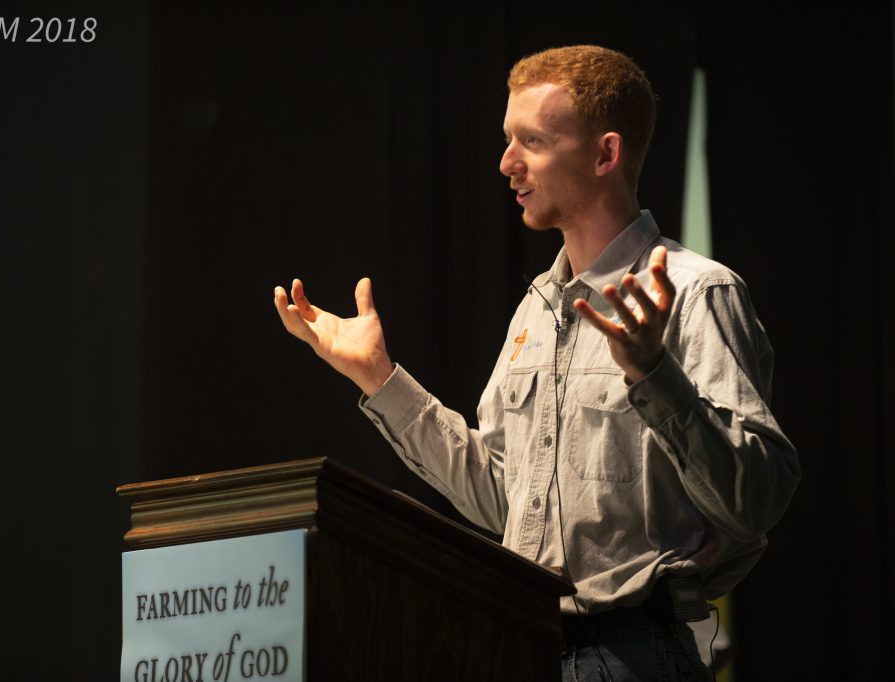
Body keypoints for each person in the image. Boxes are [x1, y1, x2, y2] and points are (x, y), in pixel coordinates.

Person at [274, 45, 799, 681]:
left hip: (631, 654)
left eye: (532, 141)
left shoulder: (698, 291)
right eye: (506, 139)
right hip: (519, 645)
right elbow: (502, 498)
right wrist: (378, 379)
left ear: (605, 155)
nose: (506, 162)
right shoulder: (536, 309)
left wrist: (652, 373)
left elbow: (758, 499)